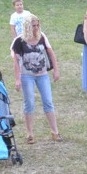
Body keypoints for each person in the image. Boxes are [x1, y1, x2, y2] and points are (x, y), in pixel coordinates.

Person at [11, 15, 60, 143]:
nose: (36, 28)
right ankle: (30, 133)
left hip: (42, 74)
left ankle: (55, 131)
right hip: (27, 75)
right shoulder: (19, 41)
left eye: (38, 25)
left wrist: (56, 70)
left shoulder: (42, 36)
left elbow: (51, 53)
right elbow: (16, 61)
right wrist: (18, 79)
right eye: (33, 25)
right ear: (27, 26)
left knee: (48, 101)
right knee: (29, 103)